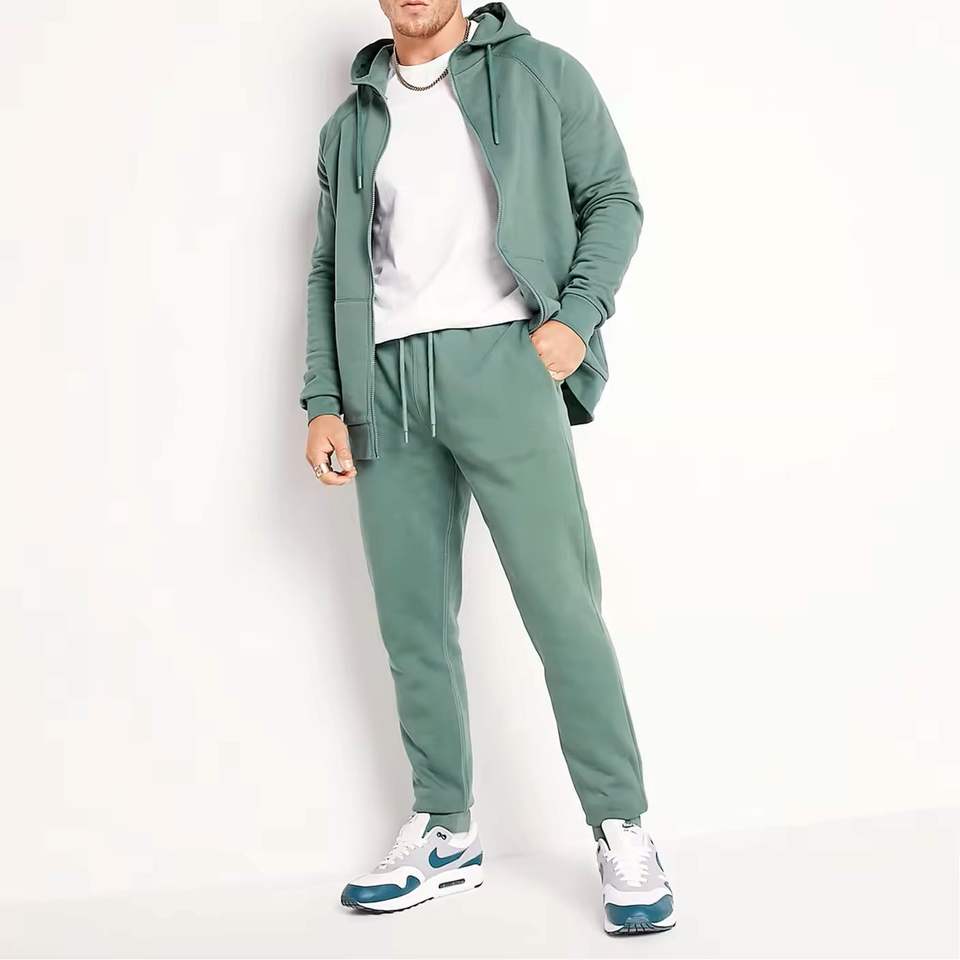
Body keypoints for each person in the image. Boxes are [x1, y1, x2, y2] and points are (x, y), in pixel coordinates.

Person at [301, 0, 674, 935]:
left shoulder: (540, 73)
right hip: (384, 382)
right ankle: (445, 829)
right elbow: (328, 268)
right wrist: (323, 399)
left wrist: (576, 317)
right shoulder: (351, 122)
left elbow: (614, 199)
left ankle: (621, 826)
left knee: (561, 607)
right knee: (413, 623)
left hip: (504, 362)